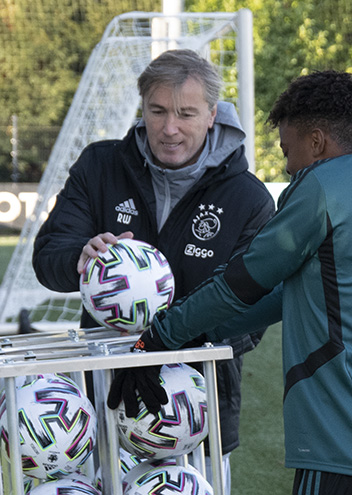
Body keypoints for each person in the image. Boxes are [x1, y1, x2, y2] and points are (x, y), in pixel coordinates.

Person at [110, 70, 352, 494]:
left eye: (289, 151)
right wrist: (197, 335)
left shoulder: (324, 185)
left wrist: (160, 335)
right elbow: (302, 294)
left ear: (318, 142)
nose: (288, 167)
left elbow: (242, 282)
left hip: (349, 451)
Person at [31, 48, 276, 493]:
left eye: (186, 113)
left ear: (213, 114)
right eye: (157, 111)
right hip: (102, 395)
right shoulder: (100, 165)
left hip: (191, 407)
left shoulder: (249, 199)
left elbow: (249, 318)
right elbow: (49, 257)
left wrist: (161, 346)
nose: (169, 129)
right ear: (142, 108)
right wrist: (80, 259)